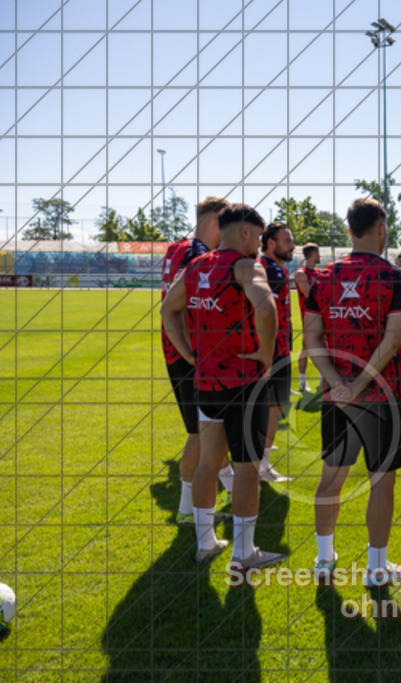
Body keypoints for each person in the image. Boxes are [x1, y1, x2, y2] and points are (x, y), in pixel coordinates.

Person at [162, 203, 288, 570]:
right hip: (244, 383)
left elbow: (168, 309)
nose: (259, 242)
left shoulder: (197, 264)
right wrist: (265, 354)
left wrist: (188, 353)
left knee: (207, 461)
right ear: (245, 231)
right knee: (247, 468)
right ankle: (244, 552)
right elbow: (267, 309)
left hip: (207, 381)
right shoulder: (248, 265)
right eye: (259, 235)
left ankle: (205, 544)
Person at [303, 198, 401, 587]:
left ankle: (323, 560)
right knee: (381, 480)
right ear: (381, 230)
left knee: (331, 478)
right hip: (381, 396)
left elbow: (311, 338)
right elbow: (394, 338)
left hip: (338, 398)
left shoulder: (323, 277)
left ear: (350, 230)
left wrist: (337, 383)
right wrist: (359, 383)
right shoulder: (397, 278)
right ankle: (376, 568)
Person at [159, 196, 233, 524]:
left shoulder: (178, 247)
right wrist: (195, 352)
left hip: (178, 349)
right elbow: (186, 305)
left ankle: (227, 487)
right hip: (190, 353)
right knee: (200, 433)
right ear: (216, 220)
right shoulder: (197, 254)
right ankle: (187, 510)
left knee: (208, 429)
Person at [257, 222, 296, 483]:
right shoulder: (269, 270)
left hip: (276, 348)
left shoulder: (273, 268)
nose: (292, 245)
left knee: (274, 405)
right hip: (272, 351)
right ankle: (261, 465)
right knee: (272, 406)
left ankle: (260, 458)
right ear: (271, 242)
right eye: (287, 240)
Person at [294, 243, 321, 393]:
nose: (320, 256)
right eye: (318, 253)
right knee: (307, 349)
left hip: (322, 316)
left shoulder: (318, 272)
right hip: (309, 317)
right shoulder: (301, 273)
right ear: (312, 254)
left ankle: (323, 381)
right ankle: (302, 383)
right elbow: (309, 295)